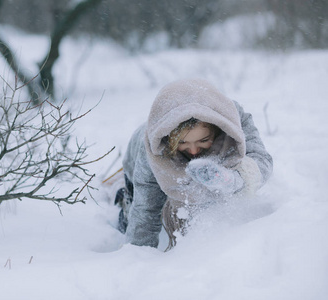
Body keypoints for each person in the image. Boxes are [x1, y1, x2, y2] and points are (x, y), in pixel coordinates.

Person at [115, 78, 273, 250]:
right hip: (138, 168)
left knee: (207, 198)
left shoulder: (234, 119)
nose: (193, 151)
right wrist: (138, 257)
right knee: (153, 210)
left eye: (203, 140)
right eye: (182, 143)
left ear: (217, 128)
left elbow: (261, 160)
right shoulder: (151, 149)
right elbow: (145, 210)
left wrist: (231, 181)